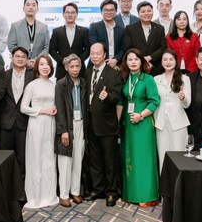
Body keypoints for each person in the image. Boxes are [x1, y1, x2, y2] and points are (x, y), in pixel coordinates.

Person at [117, 48, 160, 207]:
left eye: (136, 59)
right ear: (126, 63)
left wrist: (141, 115)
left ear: (142, 61)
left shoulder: (148, 79)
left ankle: (147, 195)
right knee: (129, 157)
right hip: (127, 124)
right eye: (130, 59)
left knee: (144, 158)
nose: (133, 62)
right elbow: (121, 102)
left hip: (143, 123)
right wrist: (117, 123)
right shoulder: (124, 79)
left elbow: (155, 101)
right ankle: (129, 194)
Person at [84, 43, 122, 207]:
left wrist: (107, 96)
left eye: (98, 53)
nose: (94, 56)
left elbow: (117, 96)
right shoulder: (87, 72)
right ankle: (97, 189)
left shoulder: (113, 73)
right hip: (90, 123)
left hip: (107, 124)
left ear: (104, 54)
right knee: (95, 159)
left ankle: (111, 192)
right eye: (92, 53)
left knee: (110, 160)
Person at [20, 55, 58, 209]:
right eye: (41, 64)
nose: (45, 67)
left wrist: (54, 110)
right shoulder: (32, 85)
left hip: (51, 124)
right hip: (36, 124)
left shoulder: (54, 85)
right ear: (37, 67)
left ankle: (49, 195)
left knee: (49, 157)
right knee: (36, 157)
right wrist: (43, 111)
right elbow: (23, 108)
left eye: (47, 64)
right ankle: (35, 196)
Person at [55, 54, 87, 208]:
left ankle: (75, 191)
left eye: (77, 66)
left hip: (81, 123)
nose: (75, 69)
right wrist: (63, 131)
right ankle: (64, 195)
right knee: (65, 160)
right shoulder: (61, 84)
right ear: (66, 68)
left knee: (78, 158)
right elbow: (60, 109)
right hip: (67, 125)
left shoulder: (83, 83)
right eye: (71, 66)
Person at [0, 46, 33, 180]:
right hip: (6, 123)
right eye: (17, 56)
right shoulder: (3, 75)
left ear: (27, 59)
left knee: (23, 158)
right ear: (11, 58)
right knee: (5, 157)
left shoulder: (32, 75)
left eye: (23, 57)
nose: (20, 59)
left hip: (25, 122)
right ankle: (6, 186)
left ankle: (21, 187)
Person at [154, 49, 190, 171]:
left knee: (179, 157)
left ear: (176, 61)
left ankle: (179, 183)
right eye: (165, 59)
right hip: (161, 123)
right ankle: (164, 183)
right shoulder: (156, 79)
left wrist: (183, 98)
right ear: (161, 62)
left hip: (178, 123)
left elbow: (187, 104)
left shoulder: (184, 78)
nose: (168, 62)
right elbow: (154, 101)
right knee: (163, 156)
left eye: (171, 59)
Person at [123, 1, 167, 76]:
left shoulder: (159, 28)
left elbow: (163, 47)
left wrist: (150, 58)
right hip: (136, 67)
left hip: (155, 67)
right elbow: (128, 48)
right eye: (143, 12)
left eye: (149, 11)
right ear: (138, 13)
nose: (146, 13)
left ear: (152, 12)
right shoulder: (130, 29)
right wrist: (142, 60)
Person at [8, 0, 50, 69]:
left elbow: (47, 47)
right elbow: (11, 45)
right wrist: (25, 60)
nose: (31, 7)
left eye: (33, 5)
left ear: (37, 9)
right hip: (18, 65)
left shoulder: (44, 27)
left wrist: (36, 60)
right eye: (28, 5)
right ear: (23, 8)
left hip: (37, 66)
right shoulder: (15, 26)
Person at [49, 2, 90, 80]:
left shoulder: (84, 31)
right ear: (63, 14)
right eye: (67, 12)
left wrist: (78, 60)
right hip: (62, 71)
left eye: (73, 12)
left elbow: (88, 49)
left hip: (79, 71)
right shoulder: (56, 31)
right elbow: (52, 49)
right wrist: (62, 60)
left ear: (77, 14)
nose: (70, 15)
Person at [89, 0, 125, 69]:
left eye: (111, 10)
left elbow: (123, 48)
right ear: (101, 12)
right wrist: (108, 63)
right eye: (106, 10)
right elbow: (94, 46)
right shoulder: (94, 27)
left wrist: (115, 60)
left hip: (117, 65)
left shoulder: (121, 29)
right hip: (98, 65)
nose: (109, 12)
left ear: (115, 12)